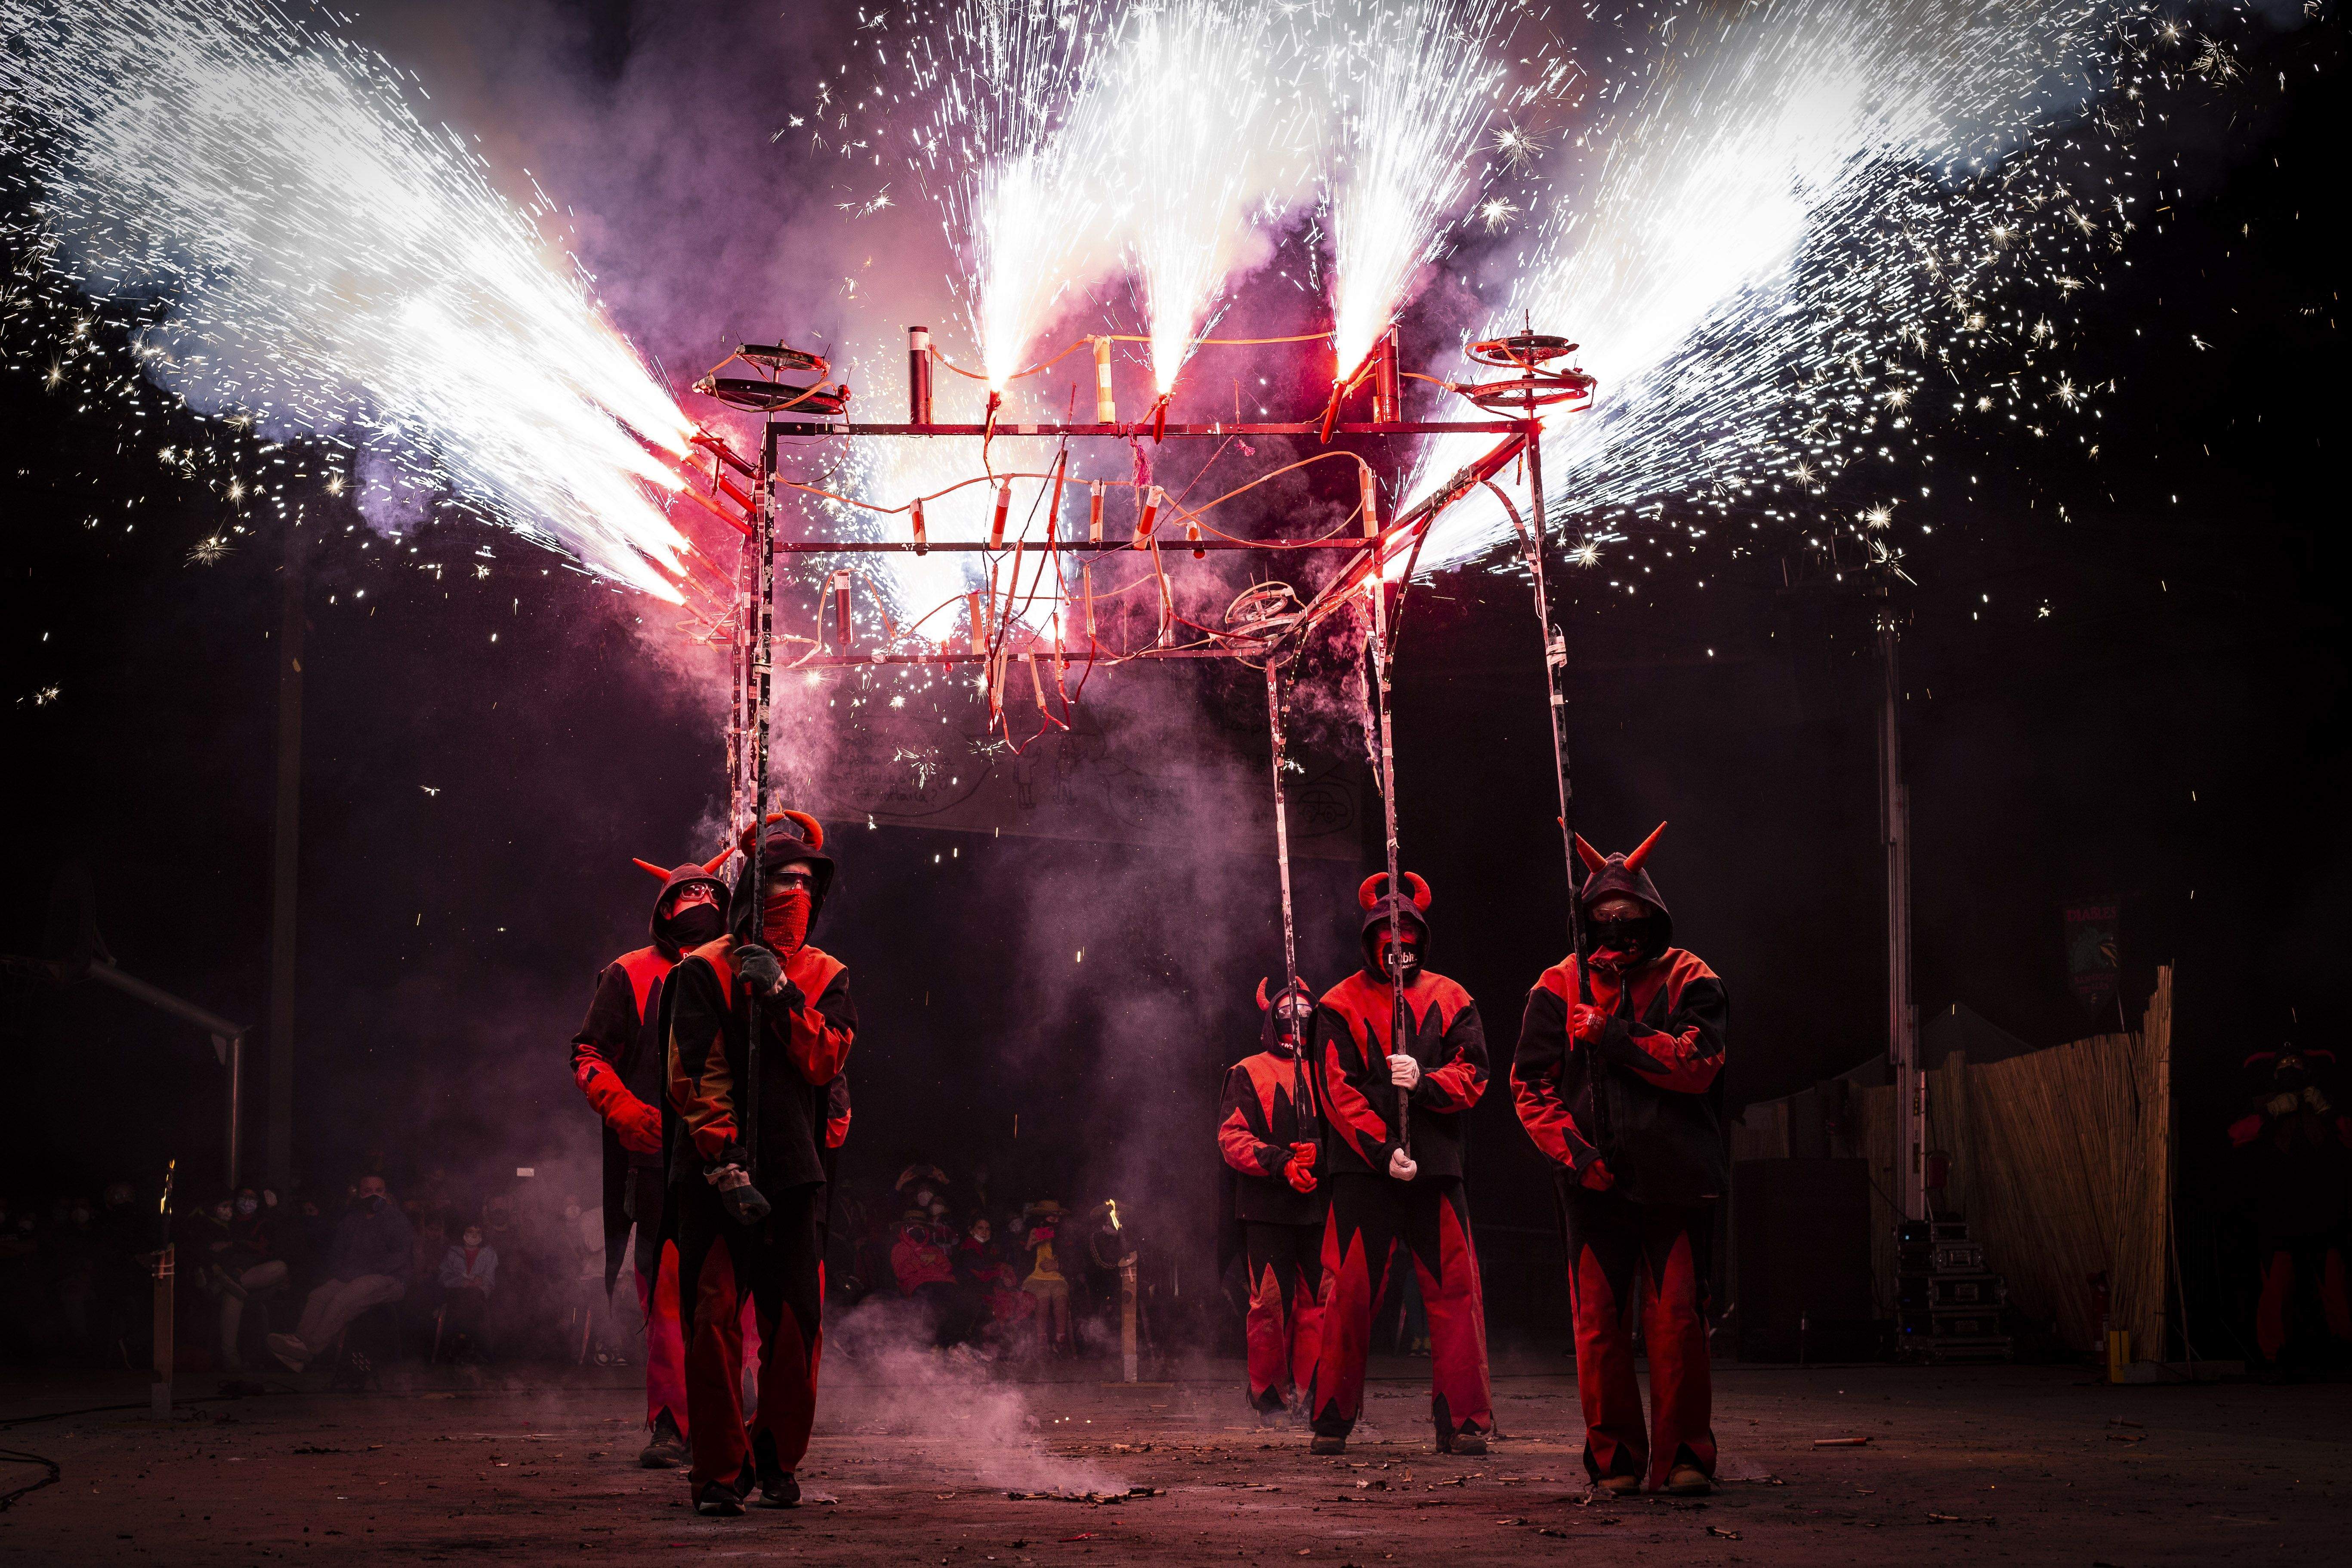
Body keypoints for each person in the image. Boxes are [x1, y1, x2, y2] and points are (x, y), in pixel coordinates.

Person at [1512, 824, 1729, 1497]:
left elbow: (1699, 1066)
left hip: (1676, 1179)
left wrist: (1615, 1036)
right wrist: (1577, 1159)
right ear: (1585, 920)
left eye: (1630, 917)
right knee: (1598, 1328)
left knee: (1676, 1326)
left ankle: (1686, 1455)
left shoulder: (1692, 975)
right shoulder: (1556, 985)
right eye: (1603, 918)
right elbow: (1531, 1089)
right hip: (1591, 1186)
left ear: (1652, 915)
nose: (1618, 928)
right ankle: (1615, 1460)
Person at [663, 810, 855, 1517]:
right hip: (714, 1174)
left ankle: (776, 1457)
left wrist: (778, 993)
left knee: (796, 1325)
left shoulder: (827, 974)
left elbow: (824, 1057)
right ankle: (718, 1470)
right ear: (755, 885)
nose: (795, 889)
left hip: (794, 1168)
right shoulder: (702, 968)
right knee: (712, 1321)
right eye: (781, 877)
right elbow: (694, 1072)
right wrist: (723, 1160)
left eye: (807, 879)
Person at [1305, 870, 1492, 1456]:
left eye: (1407, 932)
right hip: (1365, 1173)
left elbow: (1475, 1075)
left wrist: (1428, 1082)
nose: (1398, 942)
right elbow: (1336, 1093)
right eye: (1387, 933)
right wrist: (1384, 1150)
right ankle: (1332, 1417)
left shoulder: (1452, 997)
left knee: (1455, 1294)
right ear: (1369, 940)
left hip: (1436, 1169)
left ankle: (1464, 1421)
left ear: (1420, 938)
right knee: (1350, 1294)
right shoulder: (1337, 1004)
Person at [572, 847, 737, 1464]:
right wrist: (619, 1107)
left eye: (711, 899)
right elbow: (589, 1053)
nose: (700, 907)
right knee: (667, 1302)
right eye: (686, 899)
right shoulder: (629, 973)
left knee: (732, 1299)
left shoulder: (740, 967)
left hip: (729, 1158)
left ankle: (731, 1417)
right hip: (656, 1167)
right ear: (663, 910)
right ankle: (671, 1422)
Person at [1217, 976, 1327, 1423]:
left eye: (1304, 1013)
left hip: (1320, 1205)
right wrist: (1281, 1162)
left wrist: (1321, 1150)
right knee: (1270, 1303)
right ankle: (1268, 1395)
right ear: (1272, 1018)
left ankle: (1318, 1391)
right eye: (1287, 1012)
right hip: (1266, 1208)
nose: (1296, 1019)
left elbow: (1350, 1126)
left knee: (1320, 1304)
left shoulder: (1328, 1068)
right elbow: (1231, 1137)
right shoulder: (1247, 1071)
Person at [2228, 1043, 2352, 1367]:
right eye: (2284, 1065)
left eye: (2296, 1064)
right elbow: (2236, 1136)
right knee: (2277, 1286)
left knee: (2336, 1284)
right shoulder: (2260, 1105)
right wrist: (2270, 1112)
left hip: (2324, 1208)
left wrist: (2328, 1111)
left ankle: (2346, 1350)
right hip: (2278, 1210)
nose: (2290, 1069)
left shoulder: (2324, 1104)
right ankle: (2275, 1357)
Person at [267, 1174, 414, 1373]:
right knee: (319, 1296)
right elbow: (336, 1254)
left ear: (386, 1193)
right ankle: (298, 1343)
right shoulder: (352, 1220)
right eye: (368, 1191)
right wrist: (342, 1273)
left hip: (390, 1278)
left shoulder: (396, 1219)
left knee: (345, 1298)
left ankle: (309, 1348)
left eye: (378, 1191)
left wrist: (360, 1273)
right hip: (354, 1277)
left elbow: (399, 1257)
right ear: (360, 1195)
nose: (374, 1196)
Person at [438, 1222, 498, 1361]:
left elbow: (491, 1279)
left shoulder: (489, 1254)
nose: (474, 1236)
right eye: (470, 1232)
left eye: (478, 1233)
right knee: (462, 1299)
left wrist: (481, 1281)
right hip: (456, 1294)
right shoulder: (453, 1253)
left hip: (479, 1295)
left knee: (474, 1298)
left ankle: (473, 1347)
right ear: (463, 1234)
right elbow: (443, 1277)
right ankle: (458, 1344)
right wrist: (461, 1282)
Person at [1020, 1200, 1074, 1356]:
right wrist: (1029, 1246)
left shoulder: (1063, 1235)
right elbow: (1021, 1263)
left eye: (1058, 1218)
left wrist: (1058, 1266)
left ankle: (1060, 1340)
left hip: (1057, 1278)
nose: (1056, 1221)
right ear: (1042, 1218)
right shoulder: (1030, 1233)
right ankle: (1042, 1341)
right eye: (1052, 1218)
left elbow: (1074, 1259)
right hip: (1034, 1278)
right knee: (1042, 1296)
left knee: (1061, 1296)